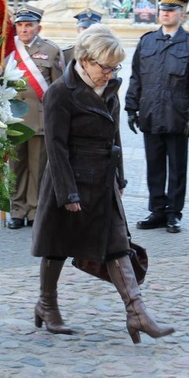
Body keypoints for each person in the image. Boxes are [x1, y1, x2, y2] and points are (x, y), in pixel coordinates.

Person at [32, 24, 174, 343]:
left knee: (116, 244)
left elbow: (115, 136)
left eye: (114, 67)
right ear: (84, 59)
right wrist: (67, 191)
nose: (109, 74)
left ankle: (137, 312)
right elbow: (55, 146)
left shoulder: (110, 88)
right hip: (68, 177)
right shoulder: (59, 92)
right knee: (57, 245)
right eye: (105, 67)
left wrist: (119, 177)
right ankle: (46, 304)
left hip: (102, 179)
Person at [125, 0, 189, 234]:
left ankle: (173, 213)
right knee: (154, 166)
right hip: (150, 112)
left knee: (177, 167)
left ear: (181, 14)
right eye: (163, 9)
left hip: (177, 113)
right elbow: (136, 76)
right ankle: (157, 210)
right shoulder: (147, 41)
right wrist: (131, 107)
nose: (165, 13)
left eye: (171, 9)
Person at [8, 5, 64, 229]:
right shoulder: (7, 49)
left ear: (38, 27)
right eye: (20, 25)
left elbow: (59, 88)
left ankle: (34, 210)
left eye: (28, 25)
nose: (24, 30)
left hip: (39, 121)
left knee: (37, 167)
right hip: (13, 121)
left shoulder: (51, 50)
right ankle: (17, 211)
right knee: (16, 168)